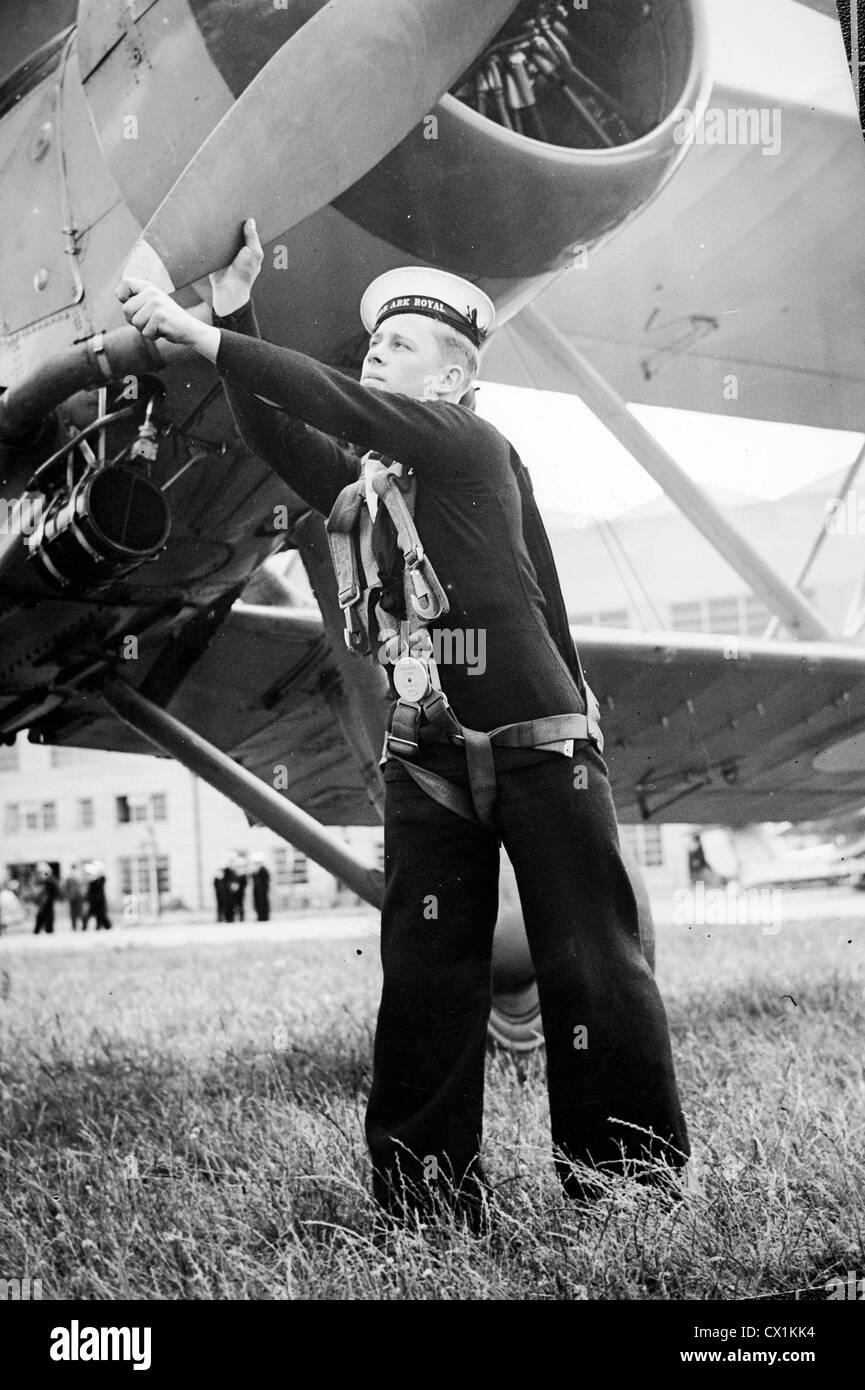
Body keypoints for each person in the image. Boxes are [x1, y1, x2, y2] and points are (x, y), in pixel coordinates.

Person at [118, 222, 690, 1226]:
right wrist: (238, 309)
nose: (375, 353)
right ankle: (425, 1197)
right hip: (424, 757)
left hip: (541, 743)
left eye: (401, 349)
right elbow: (278, 430)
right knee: (426, 976)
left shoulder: (471, 447)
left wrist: (195, 333)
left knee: (589, 961)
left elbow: (330, 399)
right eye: (374, 342)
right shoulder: (369, 489)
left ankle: (628, 1182)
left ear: (453, 383)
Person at [82, 861, 112, 931]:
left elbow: (102, 880)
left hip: (99, 903)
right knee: (89, 917)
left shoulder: (99, 881)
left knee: (102, 917)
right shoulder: (93, 882)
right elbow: (90, 893)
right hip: (94, 903)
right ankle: (89, 928)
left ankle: (104, 927)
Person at [32, 861, 60, 935]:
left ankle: (46, 929)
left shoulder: (50, 881)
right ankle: (42, 929)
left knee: (45, 916)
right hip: (46, 902)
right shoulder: (48, 881)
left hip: (47, 902)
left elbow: (49, 893)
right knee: (43, 916)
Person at [64, 862, 86, 931]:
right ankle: (79, 926)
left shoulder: (73, 877)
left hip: (75, 898)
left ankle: (77, 926)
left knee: (77, 913)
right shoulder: (74, 877)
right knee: (77, 913)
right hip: (75, 898)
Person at [250, 853, 271, 922]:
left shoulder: (264, 871)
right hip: (257, 892)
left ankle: (264, 917)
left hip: (263, 892)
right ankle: (260, 917)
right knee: (258, 904)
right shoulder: (255, 871)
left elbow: (265, 882)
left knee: (263, 904)